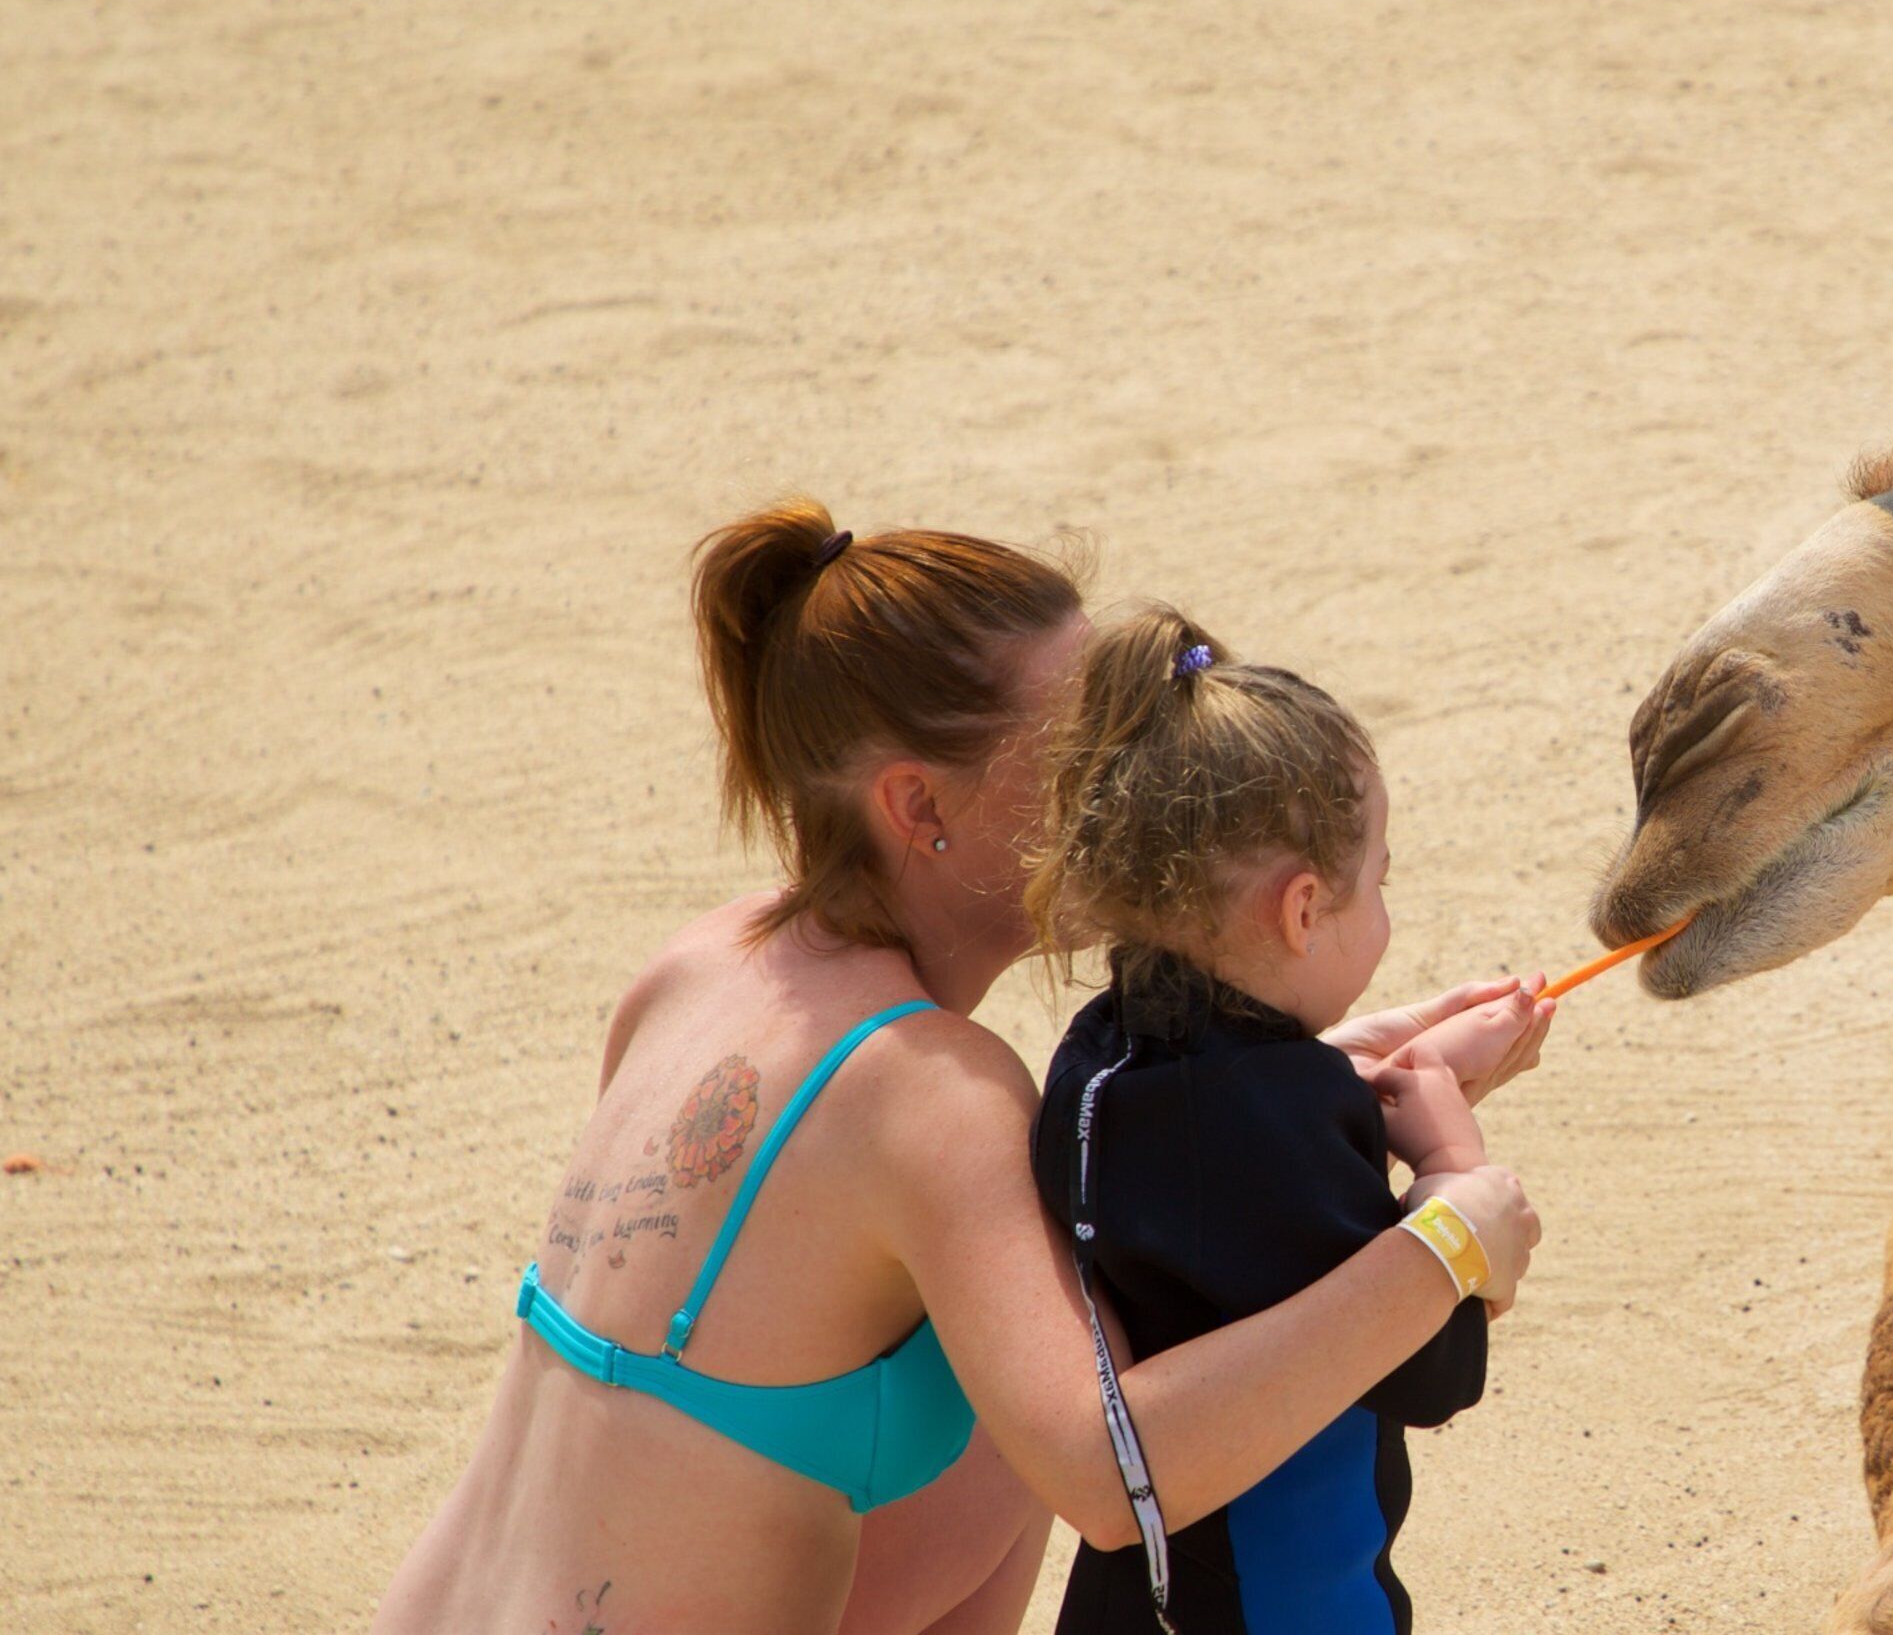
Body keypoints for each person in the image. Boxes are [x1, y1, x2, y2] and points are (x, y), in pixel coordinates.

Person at [373, 504, 1544, 1635]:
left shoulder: (704, 967)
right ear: (919, 805)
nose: (1144, 782)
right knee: (1045, 1404)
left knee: (1017, 1370)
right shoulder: (929, 1091)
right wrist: (1445, 1242)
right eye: (1093, 750)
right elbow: (1113, 1478)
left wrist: (1311, 1093)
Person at [1021, 607, 1559, 1635]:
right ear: (1302, 910)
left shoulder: (1099, 1058)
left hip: (1134, 1600)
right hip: (1286, 1600)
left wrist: (1356, 1081)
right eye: (1380, 885)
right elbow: (1431, 1368)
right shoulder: (1287, 1114)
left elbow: (1219, 1176)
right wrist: (1451, 1169)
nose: (1387, 914)